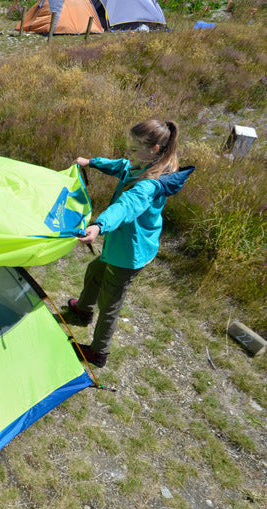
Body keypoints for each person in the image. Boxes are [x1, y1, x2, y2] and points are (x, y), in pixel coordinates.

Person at [67, 119, 194, 368]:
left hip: (128, 253)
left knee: (110, 303)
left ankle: (99, 352)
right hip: (120, 245)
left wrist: (98, 226)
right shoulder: (141, 165)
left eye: (134, 149)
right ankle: (82, 310)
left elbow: (126, 206)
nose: (129, 153)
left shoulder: (148, 185)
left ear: (154, 149)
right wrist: (91, 162)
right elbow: (122, 166)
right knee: (95, 271)